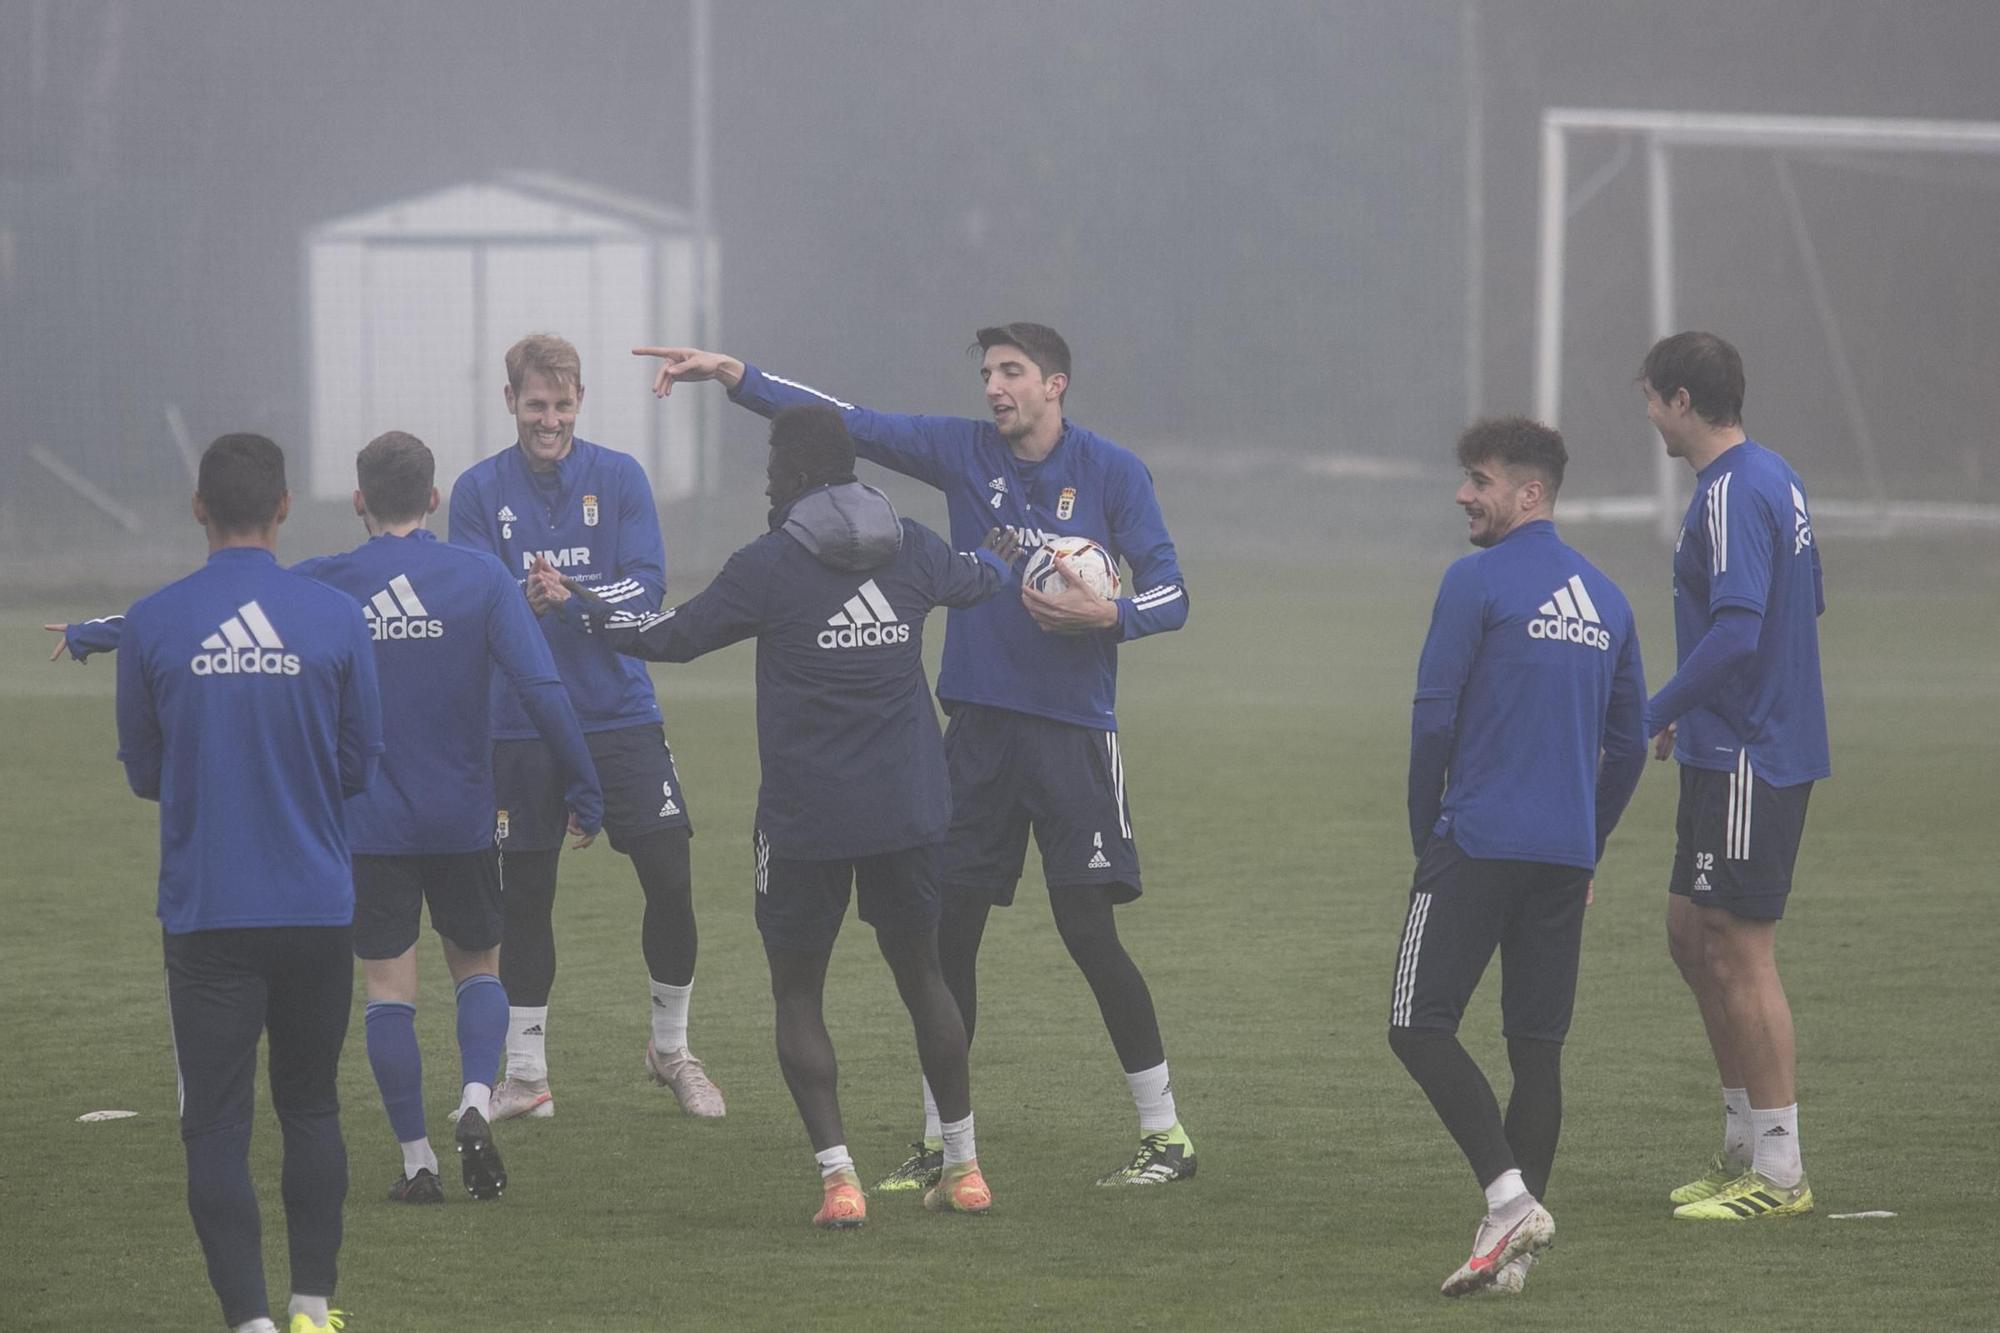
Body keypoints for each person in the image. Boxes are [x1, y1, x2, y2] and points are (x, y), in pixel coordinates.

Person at [631, 324, 1196, 1189]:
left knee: (1088, 929)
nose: (995, 387)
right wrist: (738, 376)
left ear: (1056, 384)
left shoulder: (1112, 470)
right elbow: (848, 420)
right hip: (972, 732)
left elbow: (1170, 588)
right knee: (946, 939)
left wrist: (1109, 617)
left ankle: (1164, 1133)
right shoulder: (963, 450)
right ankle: (944, 1145)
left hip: (1073, 730)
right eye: (987, 374)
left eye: (1012, 373)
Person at [54, 432, 606, 1206]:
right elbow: (543, 689)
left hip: (370, 819)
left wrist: (93, 632)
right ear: (435, 498)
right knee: (479, 966)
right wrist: (584, 783)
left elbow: (219, 606)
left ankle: (418, 1161)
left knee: (390, 989)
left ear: (358, 501)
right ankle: (478, 1100)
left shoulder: (331, 582)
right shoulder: (480, 577)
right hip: (463, 817)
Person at [535, 404, 1013, 1227]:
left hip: (805, 817)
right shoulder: (914, 547)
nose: (766, 481)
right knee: (924, 975)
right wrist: (1003, 558)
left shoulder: (768, 565)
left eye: (770, 468)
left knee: (798, 992)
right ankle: (965, 1167)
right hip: (908, 807)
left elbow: (673, 636)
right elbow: (980, 580)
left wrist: (578, 606)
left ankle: (840, 1181)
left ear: (792, 473)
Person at [115, 433, 380, 1333]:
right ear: (284, 507)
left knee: (217, 1125)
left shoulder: (151, 621)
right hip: (314, 905)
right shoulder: (336, 618)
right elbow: (357, 762)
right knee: (310, 1103)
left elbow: (144, 772)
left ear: (197, 507)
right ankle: (312, 1308)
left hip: (206, 914)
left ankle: (251, 1323)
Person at [1391, 418, 1647, 1296]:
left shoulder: (1475, 581)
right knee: (1536, 1052)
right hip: (1561, 858)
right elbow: (1631, 741)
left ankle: (1508, 1203)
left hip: (1478, 842)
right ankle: (1513, 1268)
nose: (1465, 493)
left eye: (1480, 479)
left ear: (1527, 493)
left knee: (1417, 1022)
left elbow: (1432, 718)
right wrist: (1589, 842)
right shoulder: (1608, 599)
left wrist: (1429, 827)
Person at [448, 333, 723, 1120]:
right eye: (536, 405)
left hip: (620, 713)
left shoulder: (620, 478)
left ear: (579, 404)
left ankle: (670, 1049)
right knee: (525, 896)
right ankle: (527, 1077)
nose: (550, 420)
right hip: (520, 723)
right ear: (510, 403)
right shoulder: (476, 492)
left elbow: (648, 587)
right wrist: (517, 597)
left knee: (671, 875)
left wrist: (576, 597)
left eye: (562, 405)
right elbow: (470, 598)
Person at [1639, 332, 1828, 1221]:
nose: (1648, 415)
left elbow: (1742, 627)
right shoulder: (1775, 477)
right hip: (1727, 739)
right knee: (1688, 933)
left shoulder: (1729, 490)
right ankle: (1740, 1142)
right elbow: (1801, 604)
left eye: (1651, 398)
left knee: (1738, 949)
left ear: (1681, 400)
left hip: (1753, 749)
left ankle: (1781, 1170)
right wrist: (1692, 705)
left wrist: (1653, 704)